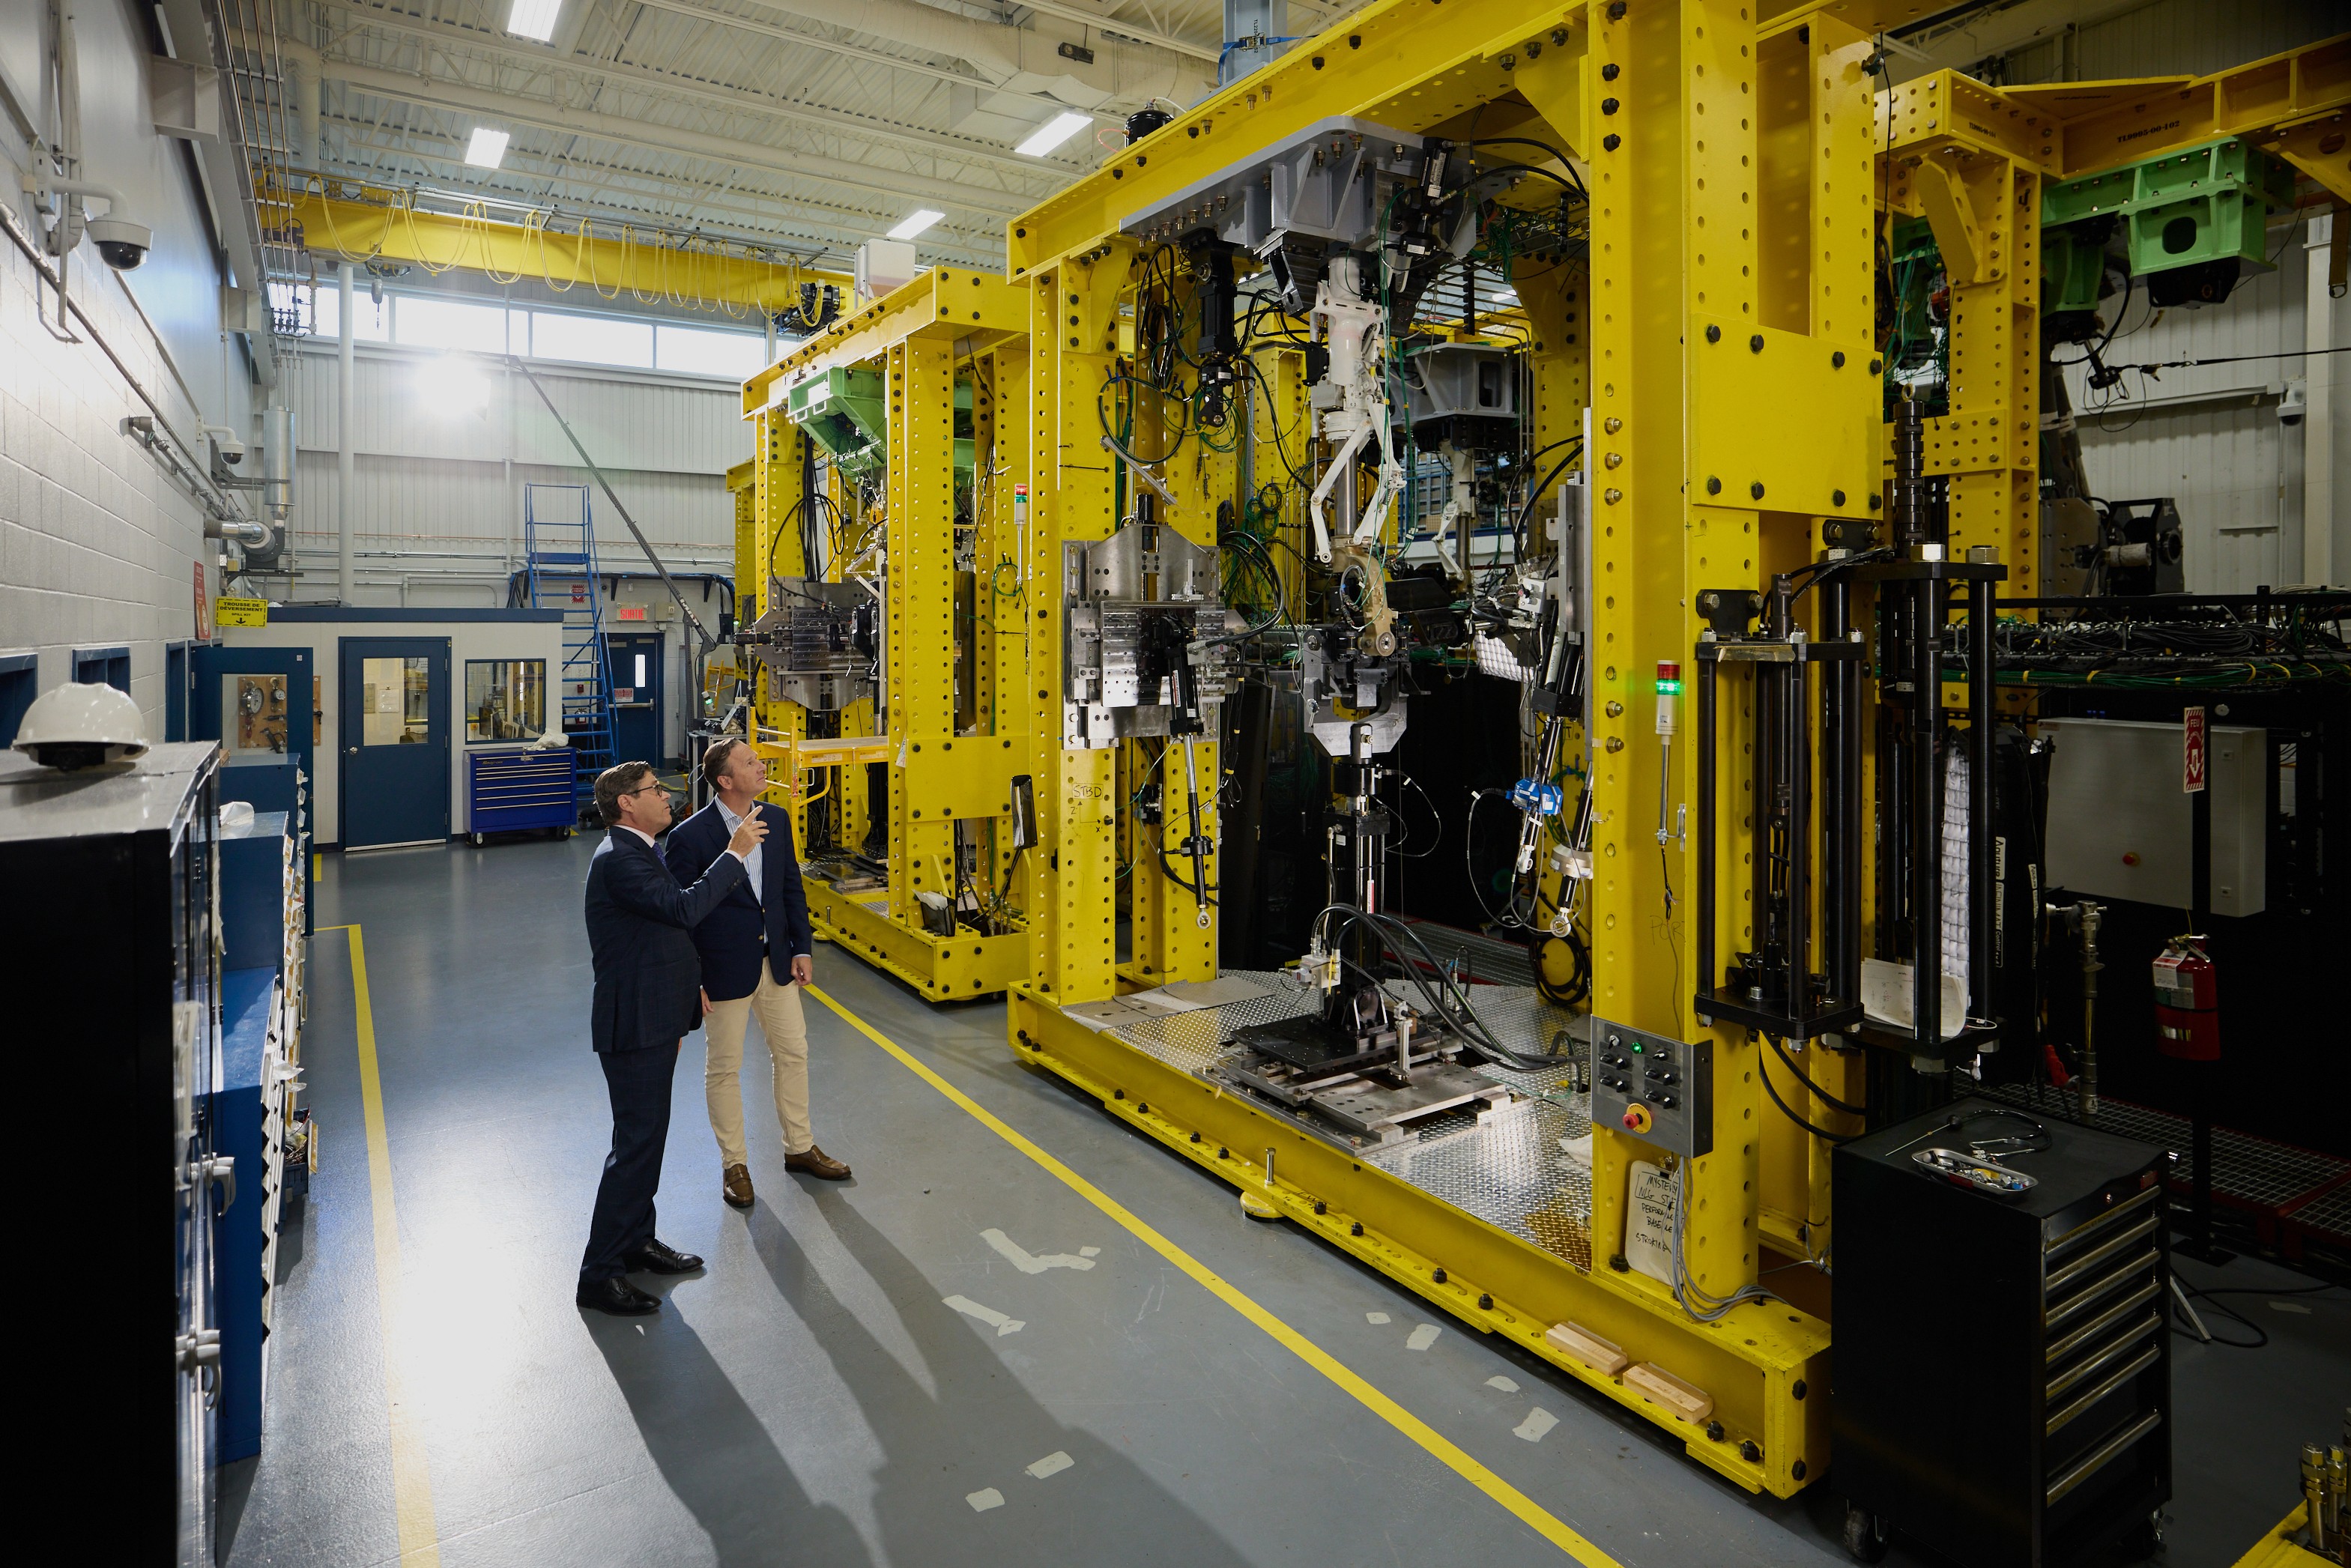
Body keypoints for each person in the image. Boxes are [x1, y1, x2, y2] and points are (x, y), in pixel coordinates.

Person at [577, 760, 766, 1317]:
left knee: (649, 1138)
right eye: (655, 790)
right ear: (626, 804)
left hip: (653, 1017)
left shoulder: (641, 850)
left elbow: (660, 937)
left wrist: (680, 1010)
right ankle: (599, 1272)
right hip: (635, 1022)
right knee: (634, 1146)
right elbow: (684, 908)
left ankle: (636, 1240)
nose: (667, 795)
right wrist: (733, 854)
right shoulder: (620, 860)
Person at [665, 736, 850, 1211]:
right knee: (724, 1068)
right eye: (751, 762)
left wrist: (802, 947)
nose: (761, 764)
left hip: (776, 962)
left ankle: (799, 1147)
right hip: (724, 969)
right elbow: (683, 916)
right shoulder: (690, 837)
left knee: (793, 1053)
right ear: (725, 781)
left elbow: (790, 885)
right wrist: (694, 979)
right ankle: (735, 1165)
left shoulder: (777, 818)